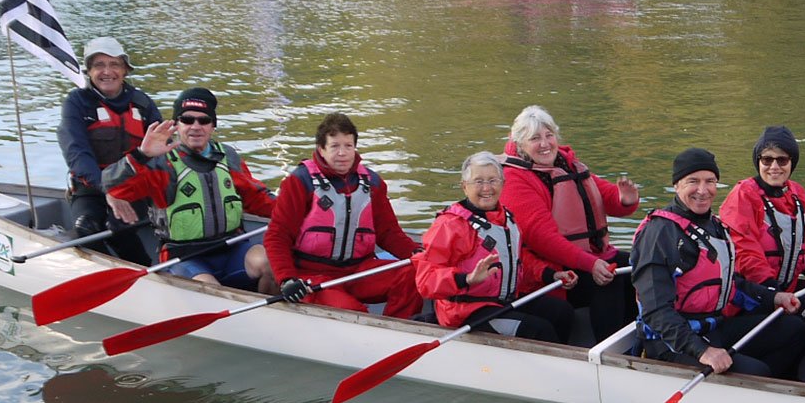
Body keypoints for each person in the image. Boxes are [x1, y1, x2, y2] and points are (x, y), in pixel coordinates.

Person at [632, 148, 805, 379]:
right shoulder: (659, 233)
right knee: (757, 372)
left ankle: (767, 391)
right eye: (692, 181)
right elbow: (655, 310)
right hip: (671, 341)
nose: (703, 190)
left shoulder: (714, 225)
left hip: (712, 327)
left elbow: (729, 284)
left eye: (710, 181)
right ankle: (756, 388)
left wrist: (774, 297)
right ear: (676, 185)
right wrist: (702, 351)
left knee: (794, 330)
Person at [102, 88, 278, 292]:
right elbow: (112, 185)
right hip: (183, 256)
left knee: (272, 265)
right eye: (187, 120)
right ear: (176, 125)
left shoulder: (228, 157)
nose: (196, 127)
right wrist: (141, 155)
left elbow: (259, 199)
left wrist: (302, 211)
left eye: (203, 121)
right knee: (211, 289)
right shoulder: (160, 163)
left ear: (213, 126)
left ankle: (267, 311)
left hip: (232, 247)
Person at [500, 106, 640, 341]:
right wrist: (591, 264)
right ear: (520, 144)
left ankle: (640, 340)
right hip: (546, 273)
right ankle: (608, 351)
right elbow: (543, 239)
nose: (545, 144)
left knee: (636, 264)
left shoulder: (566, 165)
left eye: (549, 135)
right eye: (535, 138)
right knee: (608, 282)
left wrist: (625, 200)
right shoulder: (514, 180)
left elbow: (606, 196)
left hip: (583, 259)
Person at [265, 113, 423, 318]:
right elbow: (277, 235)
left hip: (359, 270)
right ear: (321, 149)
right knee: (354, 312)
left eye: (348, 146)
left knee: (415, 274)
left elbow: (388, 232)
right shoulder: (299, 181)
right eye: (335, 146)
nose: (342, 153)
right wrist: (287, 279)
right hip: (313, 274)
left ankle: (398, 330)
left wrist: (417, 254)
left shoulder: (373, 183)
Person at [414, 152, 579, 343]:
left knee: (562, 312)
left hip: (501, 301)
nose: (487, 188)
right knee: (540, 330)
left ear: (502, 184)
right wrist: (466, 279)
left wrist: (550, 275)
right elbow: (425, 280)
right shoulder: (449, 225)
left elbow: (518, 258)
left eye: (493, 180)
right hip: (466, 311)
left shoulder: (506, 218)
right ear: (464, 187)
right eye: (479, 181)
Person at [57, 37, 160, 266]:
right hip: (91, 186)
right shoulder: (77, 102)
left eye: (114, 64)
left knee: (119, 223)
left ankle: (147, 270)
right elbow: (76, 153)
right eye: (99, 65)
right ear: (89, 71)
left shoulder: (143, 104)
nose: (107, 72)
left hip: (134, 188)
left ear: (125, 70)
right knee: (86, 229)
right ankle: (107, 269)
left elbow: (162, 151)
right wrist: (107, 190)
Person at [718, 126, 805, 339]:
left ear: (792, 162)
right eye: (767, 160)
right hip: (748, 296)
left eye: (782, 160)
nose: (774, 167)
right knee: (796, 328)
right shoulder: (743, 196)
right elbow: (744, 254)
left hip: (783, 293)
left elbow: (800, 248)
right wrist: (773, 292)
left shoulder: (798, 195)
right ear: (758, 162)